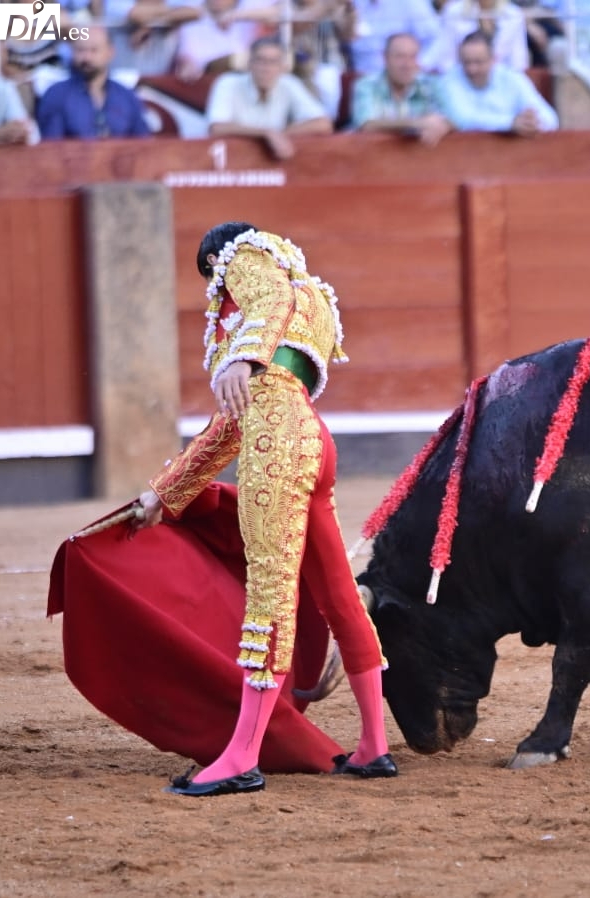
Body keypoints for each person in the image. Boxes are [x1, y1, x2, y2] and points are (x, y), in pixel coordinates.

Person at [134, 221, 397, 795]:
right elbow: (230, 426)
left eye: (212, 279)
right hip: (311, 438)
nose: (217, 292)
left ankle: (241, 757)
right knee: (338, 596)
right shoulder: (314, 296)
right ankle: (375, 746)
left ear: (215, 260)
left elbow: (260, 343)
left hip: (276, 441)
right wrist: (168, 491)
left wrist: (242, 358)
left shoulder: (246, 263)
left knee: (271, 592)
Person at [205, 37, 332, 160]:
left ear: (283, 67)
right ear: (250, 64)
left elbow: (323, 124)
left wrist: (279, 135)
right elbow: (217, 128)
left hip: (274, 159)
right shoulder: (227, 83)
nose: (266, 68)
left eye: (273, 62)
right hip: (234, 159)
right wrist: (267, 133)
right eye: (260, 60)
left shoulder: (289, 84)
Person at [35, 28, 152, 139]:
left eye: (94, 50)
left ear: (110, 52)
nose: (86, 58)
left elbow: (143, 143)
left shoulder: (127, 96)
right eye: (80, 50)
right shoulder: (57, 95)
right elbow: (51, 148)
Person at [441, 30, 558, 134]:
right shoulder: (450, 79)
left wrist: (533, 122)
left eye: (478, 62)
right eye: (466, 62)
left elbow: (550, 119)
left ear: (493, 60)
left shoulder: (512, 78)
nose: (472, 69)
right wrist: (510, 123)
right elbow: (463, 119)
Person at [350, 31, 453, 146]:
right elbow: (366, 125)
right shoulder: (367, 85)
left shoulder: (432, 83)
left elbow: (456, 118)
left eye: (413, 57)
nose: (407, 64)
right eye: (400, 57)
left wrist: (444, 126)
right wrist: (417, 123)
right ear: (385, 58)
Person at [173, 0, 268, 80]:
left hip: (243, 77)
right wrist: (187, 64)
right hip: (205, 79)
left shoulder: (249, 10)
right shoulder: (191, 16)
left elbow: (279, 12)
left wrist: (237, 15)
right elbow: (186, 58)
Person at [348, 0, 444, 77]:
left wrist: (419, 66)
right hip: (361, 79)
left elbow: (436, 39)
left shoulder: (410, 2)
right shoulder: (349, 3)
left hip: (404, 81)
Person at [433, 0, 530, 72]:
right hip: (462, 78)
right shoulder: (453, 11)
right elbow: (446, 59)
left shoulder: (514, 14)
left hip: (501, 83)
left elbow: (519, 61)